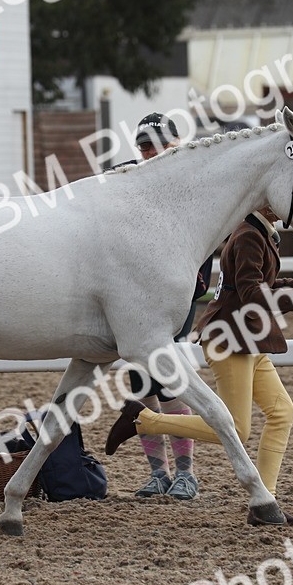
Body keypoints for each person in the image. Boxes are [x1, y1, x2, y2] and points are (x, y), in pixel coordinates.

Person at [105, 205, 293, 524]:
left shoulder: (258, 232)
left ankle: (265, 501)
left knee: (282, 412)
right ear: (264, 203)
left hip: (249, 337)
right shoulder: (249, 236)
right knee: (237, 427)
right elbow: (253, 295)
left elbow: (261, 288)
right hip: (232, 341)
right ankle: (144, 420)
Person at [111, 113, 213, 501]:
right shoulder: (132, 179)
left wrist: (194, 284)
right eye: (144, 146)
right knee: (141, 382)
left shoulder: (191, 183)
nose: (151, 152)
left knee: (170, 380)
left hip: (176, 293)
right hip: (135, 296)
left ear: (175, 143)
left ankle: (186, 472)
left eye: (158, 144)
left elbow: (205, 236)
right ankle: (160, 473)